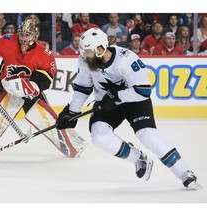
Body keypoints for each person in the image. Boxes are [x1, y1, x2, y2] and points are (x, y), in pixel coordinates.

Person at [55, 28, 201, 189]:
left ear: (100, 49)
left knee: (148, 136)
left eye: (87, 51)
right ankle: (138, 159)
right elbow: (83, 87)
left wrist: (117, 97)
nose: (83, 54)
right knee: (99, 136)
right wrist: (72, 112)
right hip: (107, 102)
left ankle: (185, 173)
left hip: (135, 101)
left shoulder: (127, 59)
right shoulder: (85, 61)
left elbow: (143, 91)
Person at [0, 19, 56, 115]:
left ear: (34, 36)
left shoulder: (44, 53)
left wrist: (33, 87)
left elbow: (48, 73)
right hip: (4, 84)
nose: (23, 38)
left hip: (28, 87)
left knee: (45, 119)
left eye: (27, 35)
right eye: (21, 34)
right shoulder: (8, 41)